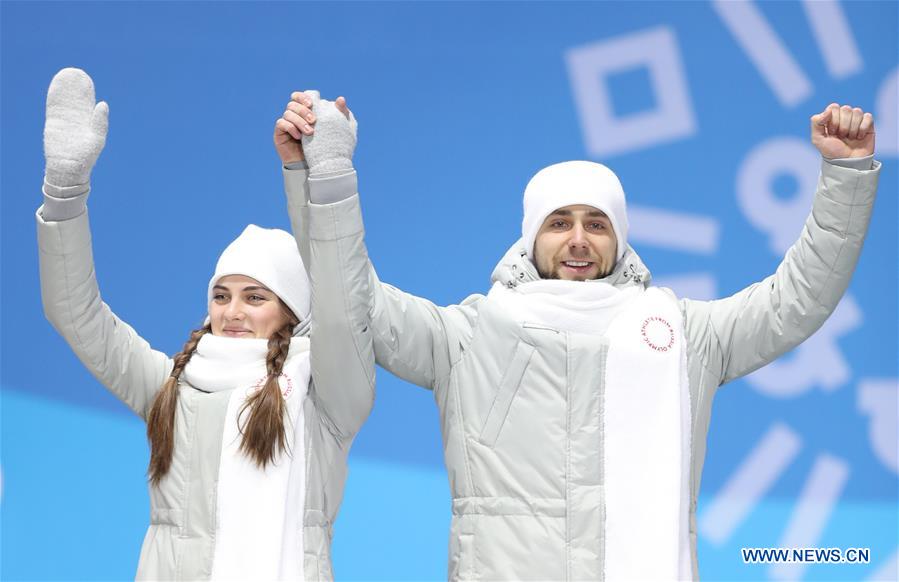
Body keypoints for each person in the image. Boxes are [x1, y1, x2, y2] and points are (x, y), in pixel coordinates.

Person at [293, 92, 880, 581]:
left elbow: (797, 300)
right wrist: (324, 173)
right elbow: (351, 297)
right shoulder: (466, 337)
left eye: (596, 223)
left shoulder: (683, 336)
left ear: (619, 240)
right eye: (559, 223)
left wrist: (847, 176)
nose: (578, 239)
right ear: (530, 238)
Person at [36, 68, 373, 580]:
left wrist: (319, 175)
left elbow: (343, 301)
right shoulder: (171, 387)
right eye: (221, 296)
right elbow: (74, 311)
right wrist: (65, 192)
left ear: (292, 312)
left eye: (255, 297)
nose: (232, 312)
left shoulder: (324, 395)